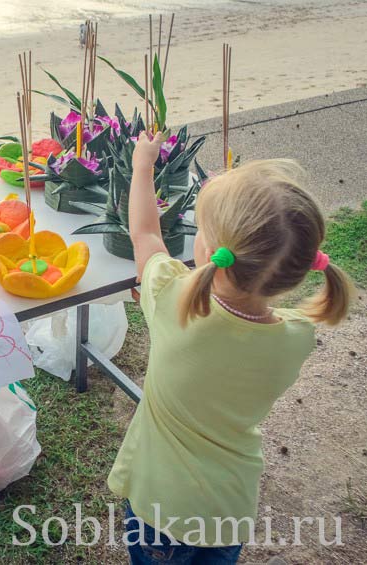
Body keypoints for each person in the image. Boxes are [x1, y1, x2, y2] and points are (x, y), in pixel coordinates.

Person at [109, 133, 353, 564]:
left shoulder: (170, 298)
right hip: (230, 504)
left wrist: (143, 164)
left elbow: (145, 232)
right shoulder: (298, 337)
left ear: (211, 252)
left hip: (161, 508)